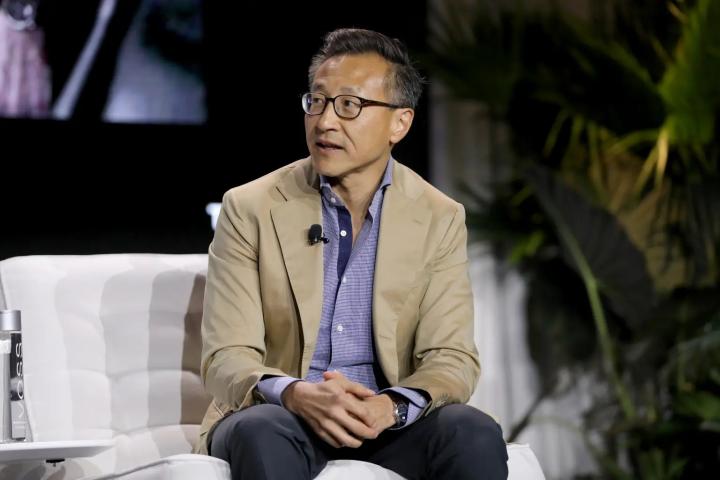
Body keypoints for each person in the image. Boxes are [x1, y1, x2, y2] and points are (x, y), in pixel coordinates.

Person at [196, 28, 509, 480]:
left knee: (472, 431)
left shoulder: (439, 217)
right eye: (317, 101)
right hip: (282, 416)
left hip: (387, 422)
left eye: (349, 105)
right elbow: (226, 356)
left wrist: (391, 406)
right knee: (261, 431)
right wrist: (295, 393)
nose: (325, 122)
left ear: (400, 123)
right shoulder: (250, 208)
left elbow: (452, 357)